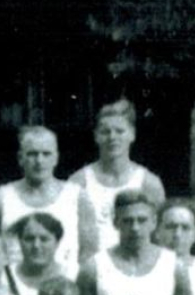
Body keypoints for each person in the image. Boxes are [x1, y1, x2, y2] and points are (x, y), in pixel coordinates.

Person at [0, 125, 95, 277]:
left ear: (56, 157)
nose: (39, 161)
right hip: (14, 291)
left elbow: (88, 255)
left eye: (46, 154)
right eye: (32, 154)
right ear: (20, 158)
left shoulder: (77, 197)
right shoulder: (0, 200)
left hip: (64, 291)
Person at [69, 100, 167, 252]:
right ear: (96, 136)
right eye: (105, 131)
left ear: (132, 134)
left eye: (119, 131)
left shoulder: (149, 183)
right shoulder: (79, 182)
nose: (112, 137)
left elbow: (159, 239)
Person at [6, 212, 71, 295]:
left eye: (44, 239)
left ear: (57, 242)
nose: (36, 245)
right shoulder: (5, 277)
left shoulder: (71, 276)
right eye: (29, 239)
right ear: (19, 241)